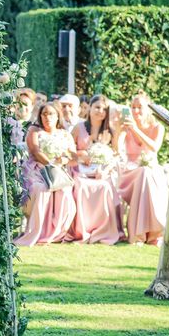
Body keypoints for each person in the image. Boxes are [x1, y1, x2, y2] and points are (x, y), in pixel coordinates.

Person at [14, 102, 77, 246]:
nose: (47, 117)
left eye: (51, 114)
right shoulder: (34, 130)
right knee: (41, 189)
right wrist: (50, 163)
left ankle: (56, 232)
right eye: (44, 114)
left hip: (57, 170)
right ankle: (37, 231)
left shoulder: (65, 134)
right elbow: (35, 151)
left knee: (65, 192)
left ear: (58, 116)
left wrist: (63, 160)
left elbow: (72, 154)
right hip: (36, 169)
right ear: (40, 116)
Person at [67, 95, 123, 244]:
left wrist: (105, 170)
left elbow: (115, 155)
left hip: (102, 172)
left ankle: (103, 230)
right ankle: (82, 230)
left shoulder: (109, 131)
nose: (100, 111)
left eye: (104, 109)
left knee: (105, 186)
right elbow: (68, 150)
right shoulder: (78, 128)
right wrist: (81, 154)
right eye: (97, 107)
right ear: (90, 108)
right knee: (80, 185)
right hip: (80, 171)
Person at [116, 91, 166, 245]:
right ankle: (142, 234)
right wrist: (120, 131)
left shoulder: (158, 127)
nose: (136, 111)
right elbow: (117, 149)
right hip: (129, 172)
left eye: (140, 107)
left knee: (146, 174)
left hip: (150, 170)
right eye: (133, 107)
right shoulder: (126, 126)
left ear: (148, 109)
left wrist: (136, 130)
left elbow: (154, 148)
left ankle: (151, 234)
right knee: (143, 174)